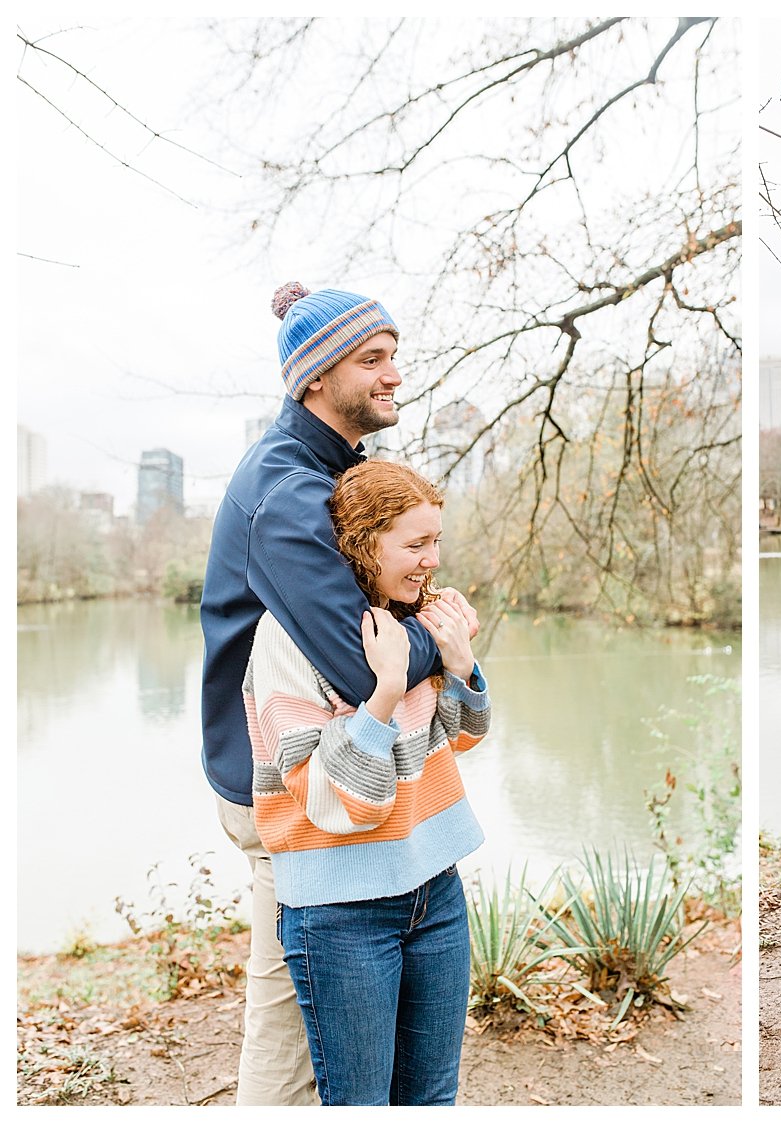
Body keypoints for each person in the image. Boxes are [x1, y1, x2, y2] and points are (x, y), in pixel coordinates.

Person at [200, 281, 474, 1105]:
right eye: (373, 358)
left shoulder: (336, 468)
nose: (395, 373)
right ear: (314, 379)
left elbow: (391, 621)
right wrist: (446, 639)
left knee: (323, 1037)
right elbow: (365, 666)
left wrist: (427, 633)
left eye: (394, 353)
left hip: (347, 774)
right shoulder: (287, 491)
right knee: (287, 1045)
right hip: (288, 786)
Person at [246, 459, 488, 1105]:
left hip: (435, 890)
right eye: (415, 544)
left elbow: (463, 737)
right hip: (340, 914)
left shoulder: (408, 620)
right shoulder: (286, 640)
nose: (432, 560)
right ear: (360, 543)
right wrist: (383, 692)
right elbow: (339, 801)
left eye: (435, 540)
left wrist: (459, 664)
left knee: (432, 1098)